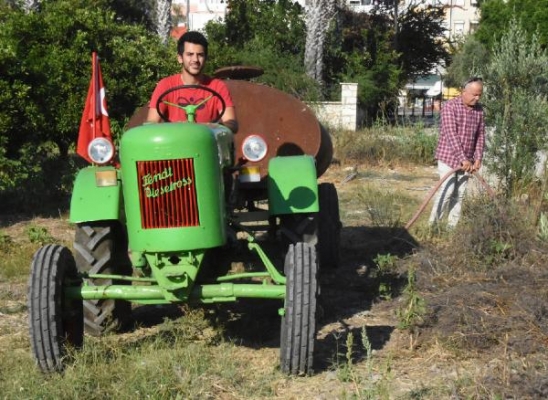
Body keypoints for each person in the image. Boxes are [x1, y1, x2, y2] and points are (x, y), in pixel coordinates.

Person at [146, 31, 238, 133]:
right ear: (180, 58)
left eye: (200, 55)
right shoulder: (166, 85)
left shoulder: (217, 87)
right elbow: (151, 123)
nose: (195, 59)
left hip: (206, 145)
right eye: (190, 54)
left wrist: (210, 127)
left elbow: (232, 124)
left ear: (205, 58)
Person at [429, 76, 485, 229]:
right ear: (463, 92)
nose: (477, 97)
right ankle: (433, 227)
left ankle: (451, 229)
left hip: (467, 161)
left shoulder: (479, 111)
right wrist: (463, 159)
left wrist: (478, 158)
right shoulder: (450, 107)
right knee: (446, 192)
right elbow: (450, 134)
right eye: (474, 94)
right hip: (449, 158)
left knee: (459, 194)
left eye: (479, 94)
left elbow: (480, 135)